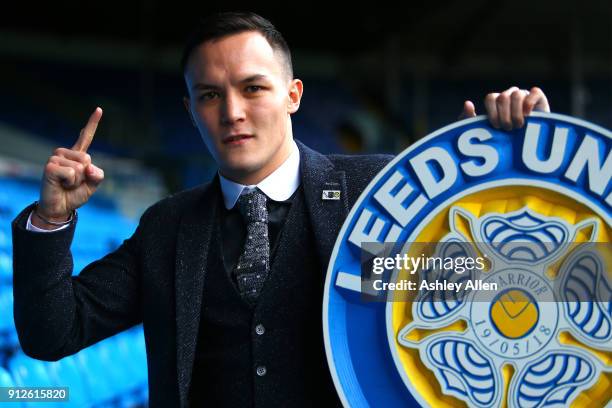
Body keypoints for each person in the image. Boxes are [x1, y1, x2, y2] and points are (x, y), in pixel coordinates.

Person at [11, 11, 550, 408]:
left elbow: (504, 284)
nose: (233, 113)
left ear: (293, 94)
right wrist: (51, 220)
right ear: (190, 111)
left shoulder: (381, 190)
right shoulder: (168, 227)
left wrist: (509, 171)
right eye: (209, 95)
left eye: (253, 88)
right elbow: (53, 333)